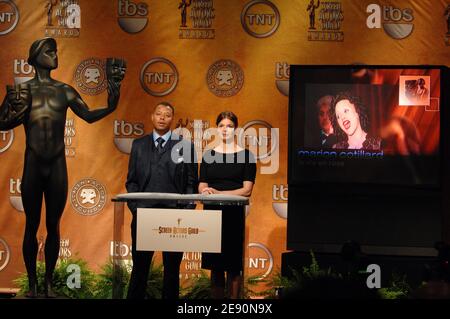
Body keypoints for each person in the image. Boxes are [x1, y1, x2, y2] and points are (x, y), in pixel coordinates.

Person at [0, 37, 125, 298]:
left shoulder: (64, 90)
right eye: (49, 51)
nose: (55, 54)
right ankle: (33, 287)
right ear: (35, 58)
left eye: (56, 50)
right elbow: (1, 123)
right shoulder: (22, 90)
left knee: (54, 225)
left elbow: (89, 115)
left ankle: (48, 286)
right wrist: (15, 112)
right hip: (33, 165)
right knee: (31, 225)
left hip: (57, 166)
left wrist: (112, 101)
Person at [125, 102, 198, 299]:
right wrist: (136, 209)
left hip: (174, 217)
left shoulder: (186, 147)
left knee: (172, 271)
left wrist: (187, 211)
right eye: (158, 113)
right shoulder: (138, 145)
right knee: (140, 268)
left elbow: (192, 182)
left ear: (172, 119)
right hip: (144, 215)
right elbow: (131, 181)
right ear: (152, 116)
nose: (162, 117)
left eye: (167, 115)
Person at [199, 111, 256, 299]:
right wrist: (205, 192)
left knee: (233, 266)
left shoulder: (247, 156)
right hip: (212, 214)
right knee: (215, 266)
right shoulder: (208, 155)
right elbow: (202, 184)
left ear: (236, 129)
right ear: (217, 129)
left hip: (234, 215)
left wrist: (219, 193)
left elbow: (247, 189)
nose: (225, 129)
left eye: (229, 126)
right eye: (222, 125)